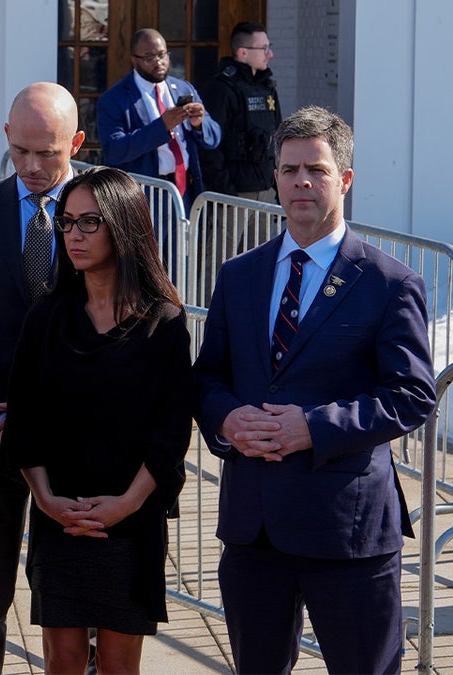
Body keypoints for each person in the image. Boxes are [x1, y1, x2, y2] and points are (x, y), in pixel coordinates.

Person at [193, 106, 437, 673]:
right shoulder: (239, 275)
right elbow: (207, 377)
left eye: (317, 170)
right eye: (289, 169)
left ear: (344, 179)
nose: (301, 181)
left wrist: (314, 427)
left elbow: (412, 394)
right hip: (254, 531)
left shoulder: (390, 282)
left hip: (347, 533)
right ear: (276, 178)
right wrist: (226, 420)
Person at [3, 166, 192, 674]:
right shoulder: (45, 317)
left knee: (118, 664)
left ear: (123, 225)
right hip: (59, 517)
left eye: (90, 222)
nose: (74, 235)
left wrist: (126, 504)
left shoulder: (164, 322)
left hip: (131, 521)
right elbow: (24, 421)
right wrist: (46, 500)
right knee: (62, 661)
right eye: (67, 222)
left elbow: (172, 432)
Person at [0, 81, 85, 674]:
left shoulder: (105, 209)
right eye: (21, 151)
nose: (31, 167)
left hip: (79, 435)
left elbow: (128, 322)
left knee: (75, 591)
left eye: (47, 154)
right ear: (7, 136)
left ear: (76, 144)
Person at [97, 28, 221, 209]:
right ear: (134, 60)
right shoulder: (114, 99)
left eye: (162, 55)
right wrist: (161, 126)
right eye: (149, 58)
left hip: (186, 192)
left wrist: (199, 124)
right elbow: (114, 150)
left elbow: (214, 138)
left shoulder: (183, 88)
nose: (159, 62)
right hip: (144, 197)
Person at [199, 21, 281, 204]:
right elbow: (209, 146)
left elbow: (279, 139)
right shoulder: (220, 89)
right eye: (264, 48)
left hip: (266, 192)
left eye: (269, 47)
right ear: (243, 52)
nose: (270, 54)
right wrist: (226, 193)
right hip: (233, 196)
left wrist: (278, 189)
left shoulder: (267, 88)